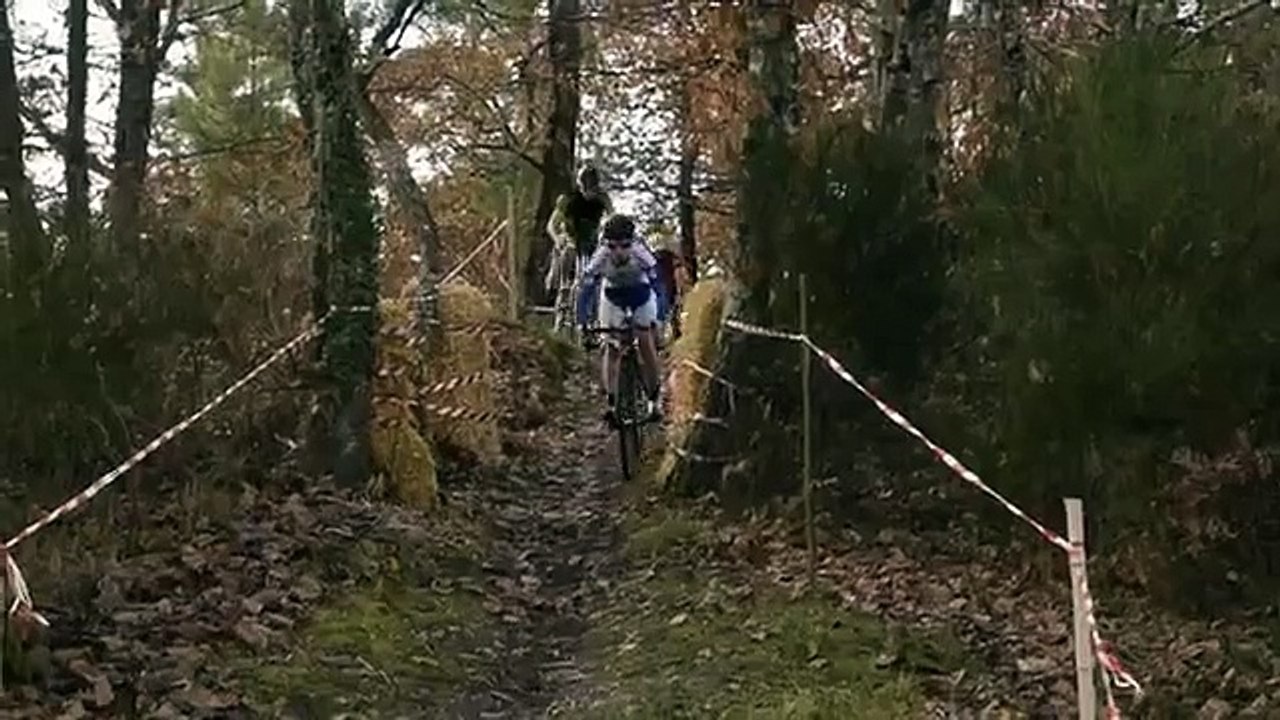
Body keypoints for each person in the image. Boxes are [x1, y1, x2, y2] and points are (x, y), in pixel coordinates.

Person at [576, 214, 666, 425]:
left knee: (645, 341)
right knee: (611, 347)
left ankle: (654, 399)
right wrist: (583, 322)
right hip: (613, 299)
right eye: (612, 246)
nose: (618, 252)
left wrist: (660, 318)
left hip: (641, 297)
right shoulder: (601, 256)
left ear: (632, 243)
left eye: (624, 246)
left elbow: (660, 288)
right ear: (606, 245)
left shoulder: (641, 253)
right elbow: (586, 290)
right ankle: (611, 402)